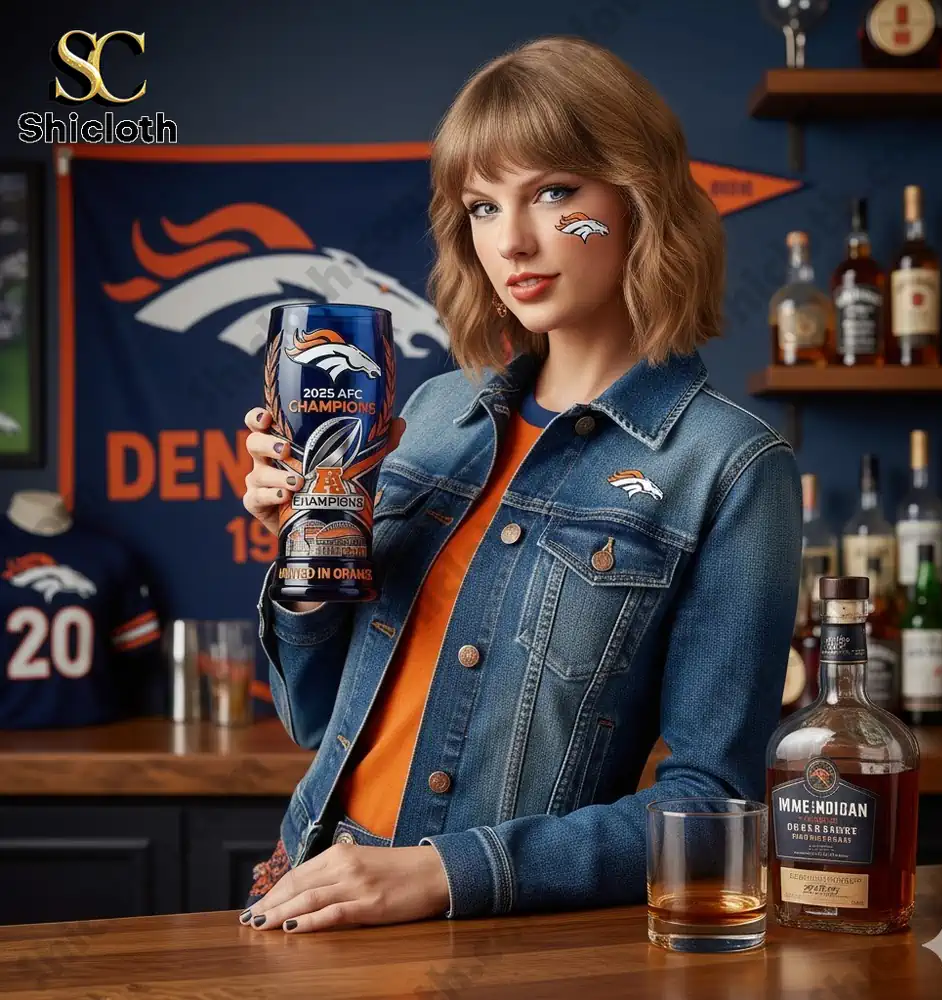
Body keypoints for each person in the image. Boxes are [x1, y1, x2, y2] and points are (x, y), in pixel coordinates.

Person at [237, 34, 802, 935]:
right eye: (481, 205)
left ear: (638, 197)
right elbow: (311, 715)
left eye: (553, 192)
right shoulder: (427, 415)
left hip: (497, 933)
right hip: (309, 887)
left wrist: (444, 873)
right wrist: (310, 548)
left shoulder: (728, 468)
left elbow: (713, 812)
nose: (514, 240)